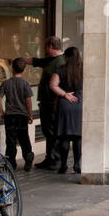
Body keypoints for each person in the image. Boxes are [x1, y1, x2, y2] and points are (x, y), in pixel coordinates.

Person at [49, 46, 84, 176]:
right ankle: (76, 164)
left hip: (65, 105)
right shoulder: (83, 70)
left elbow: (52, 85)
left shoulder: (60, 69)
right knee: (77, 137)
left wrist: (65, 94)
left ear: (67, 57)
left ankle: (63, 165)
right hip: (79, 104)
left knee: (64, 136)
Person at [0, 56, 34, 170]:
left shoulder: (6, 83)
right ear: (24, 70)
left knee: (11, 140)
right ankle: (28, 156)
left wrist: (2, 112)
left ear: (12, 69)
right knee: (24, 138)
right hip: (22, 116)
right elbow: (28, 101)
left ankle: (11, 163)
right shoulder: (25, 84)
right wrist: (30, 115)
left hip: (10, 116)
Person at [32, 35, 63, 169]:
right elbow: (36, 61)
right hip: (47, 102)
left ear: (50, 47)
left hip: (52, 103)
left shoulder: (59, 62)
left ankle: (54, 158)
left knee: (51, 131)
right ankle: (50, 157)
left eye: (46, 46)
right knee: (48, 130)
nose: (45, 49)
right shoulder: (51, 60)